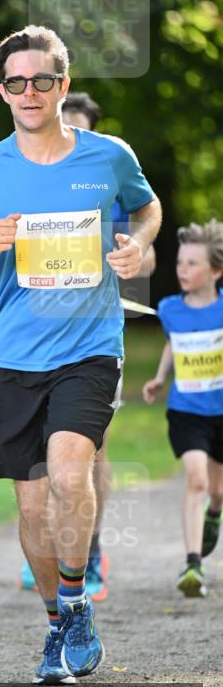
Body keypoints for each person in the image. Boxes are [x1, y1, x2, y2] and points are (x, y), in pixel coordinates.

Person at [0, 25, 162, 684]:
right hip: (14, 356)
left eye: (41, 80)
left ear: (62, 85)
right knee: (31, 508)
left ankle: (75, 596)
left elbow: (147, 210)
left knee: (67, 477)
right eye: (15, 82)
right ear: (1, 91)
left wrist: (136, 246)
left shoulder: (107, 157)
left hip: (89, 349)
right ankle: (62, 616)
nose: (28, 92)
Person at [18, 91, 157, 601]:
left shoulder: (106, 175)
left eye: (73, 125)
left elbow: (147, 254)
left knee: (89, 449)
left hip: (92, 336)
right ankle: (49, 550)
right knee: (39, 452)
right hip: (34, 341)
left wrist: (131, 256)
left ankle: (89, 553)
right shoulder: (25, 173)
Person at [142, 219, 223, 596]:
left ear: (216, 271)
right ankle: (193, 565)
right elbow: (174, 344)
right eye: (179, 263)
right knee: (196, 478)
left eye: (192, 263)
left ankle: (215, 512)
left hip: (220, 412)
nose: (182, 270)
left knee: (216, 490)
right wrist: (160, 378)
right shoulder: (170, 309)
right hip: (186, 410)